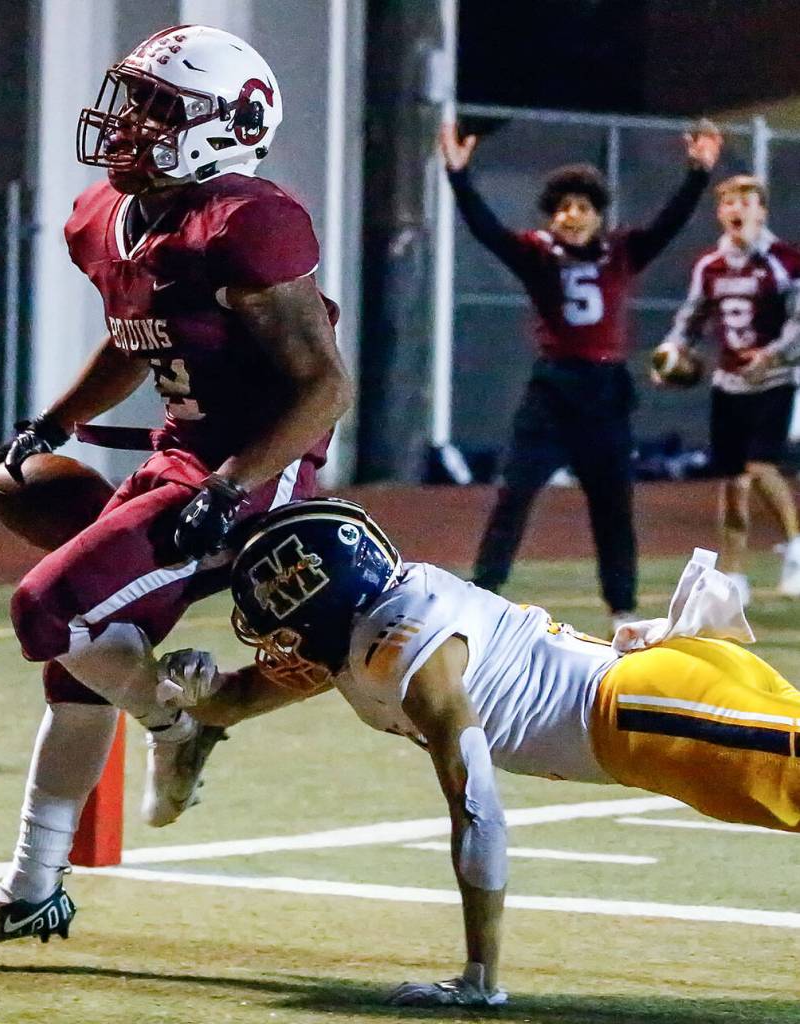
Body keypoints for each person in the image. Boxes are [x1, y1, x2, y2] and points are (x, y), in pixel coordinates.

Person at [0, 25, 351, 963]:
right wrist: (55, 424)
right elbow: (136, 334)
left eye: (161, 109)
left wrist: (235, 483)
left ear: (229, 126)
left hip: (253, 475)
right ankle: (32, 889)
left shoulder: (250, 221)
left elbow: (323, 385)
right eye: (134, 101)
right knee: (72, 651)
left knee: (47, 611)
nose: (130, 125)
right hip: (176, 460)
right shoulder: (107, 215)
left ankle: (177, 719)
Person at [207, 496, 800, 1008]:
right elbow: (229, 702)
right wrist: (181, 689)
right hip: (660, 697)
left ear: (325, 606)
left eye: (281, 624)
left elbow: (477, 805)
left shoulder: (405, 654)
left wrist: (479, 976)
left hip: (646, 715)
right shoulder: (372, 629)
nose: (277, 645)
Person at [439, 120, 723, 635]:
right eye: (565, 208)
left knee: (613, 506)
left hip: (605, 391)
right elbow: (486, 230)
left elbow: (669, 224)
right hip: (552, 391)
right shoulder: (535, 254)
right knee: (514, 495)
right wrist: (458, 177)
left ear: (598, 215)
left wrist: (697, 174)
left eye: (584, 208)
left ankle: (623, 609)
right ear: (552, 214)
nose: (574, 216)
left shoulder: (622, 252)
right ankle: (481, 596)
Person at [659, 174, 800, 604]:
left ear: (762, 211)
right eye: (729, 203)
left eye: (746, 201)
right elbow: (692, 316)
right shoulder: (710, 266)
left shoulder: (785, 262)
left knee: (760, 466)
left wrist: (771, 356)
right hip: (729, 382)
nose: (737, 209)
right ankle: (734, 576)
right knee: (733, 481)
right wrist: (673, 351)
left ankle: (795, 547)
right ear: (720, 213)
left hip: (773, 379)